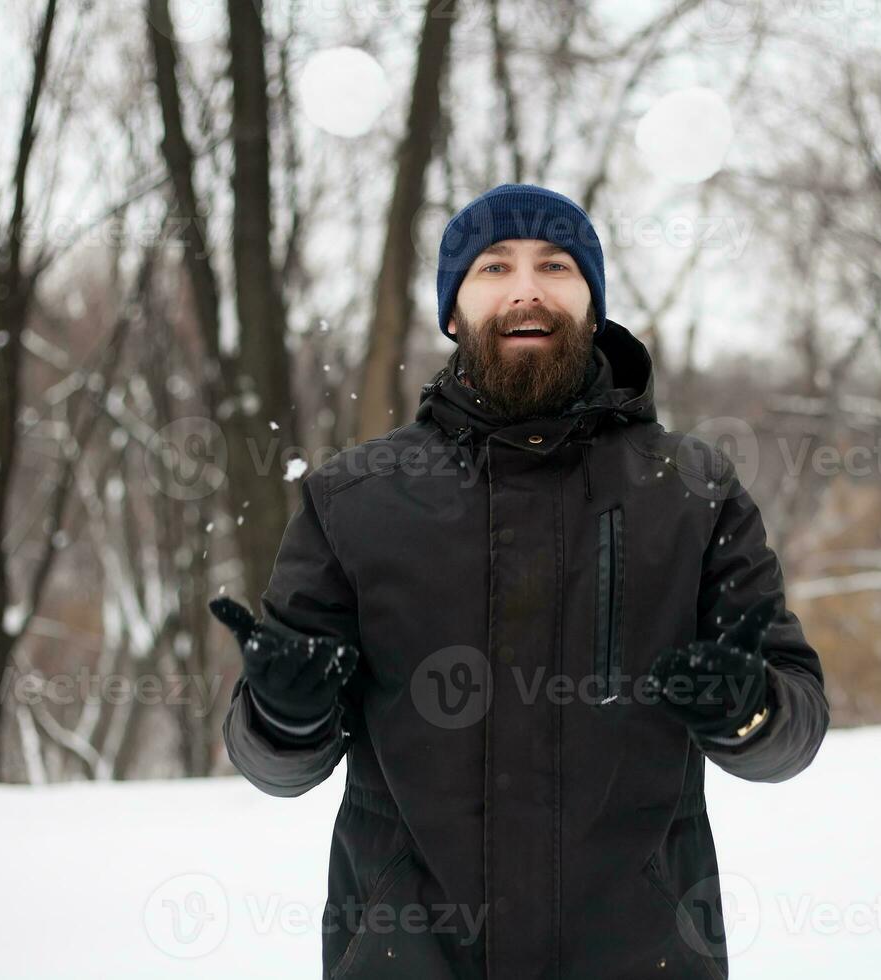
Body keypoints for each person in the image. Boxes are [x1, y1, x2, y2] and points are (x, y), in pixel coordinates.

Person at [211, 183, 829, 979]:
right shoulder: (353, 498)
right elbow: (273, 765)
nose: (527, 287)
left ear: (593, 306)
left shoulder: (688, 489)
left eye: (557, 266)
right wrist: (283, 717)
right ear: (453, 312)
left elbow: (794, 727)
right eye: (494, 267)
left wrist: (750, 710)